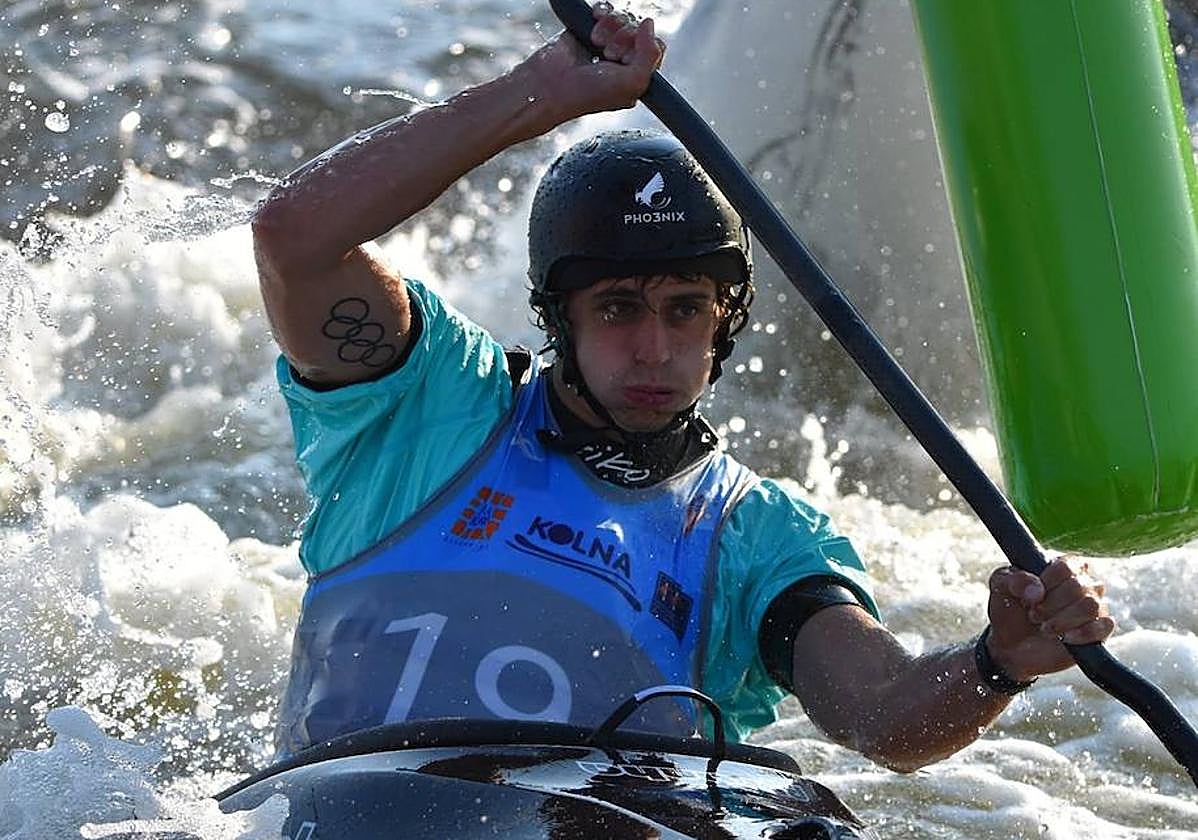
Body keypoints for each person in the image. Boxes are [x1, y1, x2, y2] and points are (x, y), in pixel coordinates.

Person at [251, 2, 1115, 768]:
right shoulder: (433, 404)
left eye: (686, 309)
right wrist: (545, 92)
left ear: (724, 321)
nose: (656, 348)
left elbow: (881, 717)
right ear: (560, 316)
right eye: (619, 307)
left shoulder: (756, 535)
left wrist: (998, 660)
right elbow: (296, 237)